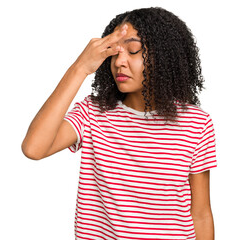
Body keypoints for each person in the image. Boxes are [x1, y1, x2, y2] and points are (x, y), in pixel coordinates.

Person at [22, 6, 217, 240]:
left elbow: (201, 213)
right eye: (114, 53)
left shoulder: (196, 123)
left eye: (133, 51)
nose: (119, 62)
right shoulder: (92, 113)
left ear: (165, 57)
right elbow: (34, 149)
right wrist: (80, 68)